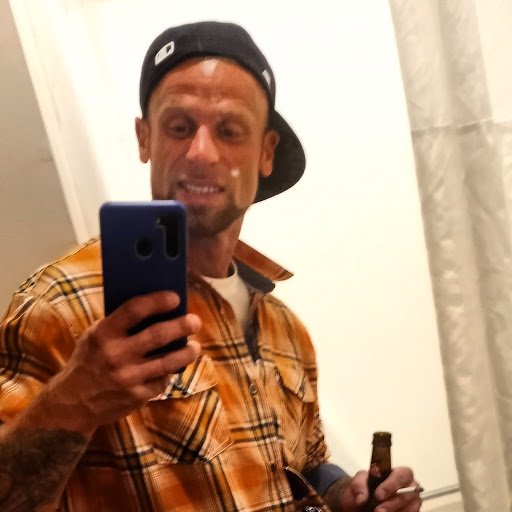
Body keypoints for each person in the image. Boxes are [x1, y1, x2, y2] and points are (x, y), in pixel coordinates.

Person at [0, 21, 421, 512]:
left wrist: (344, 496)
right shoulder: (60, 307)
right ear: (144, 139)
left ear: (265, 152)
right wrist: (72, 403)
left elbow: (304, 463)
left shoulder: (286, 329)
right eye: (179, 127)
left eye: (229, 130)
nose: (201, 152)